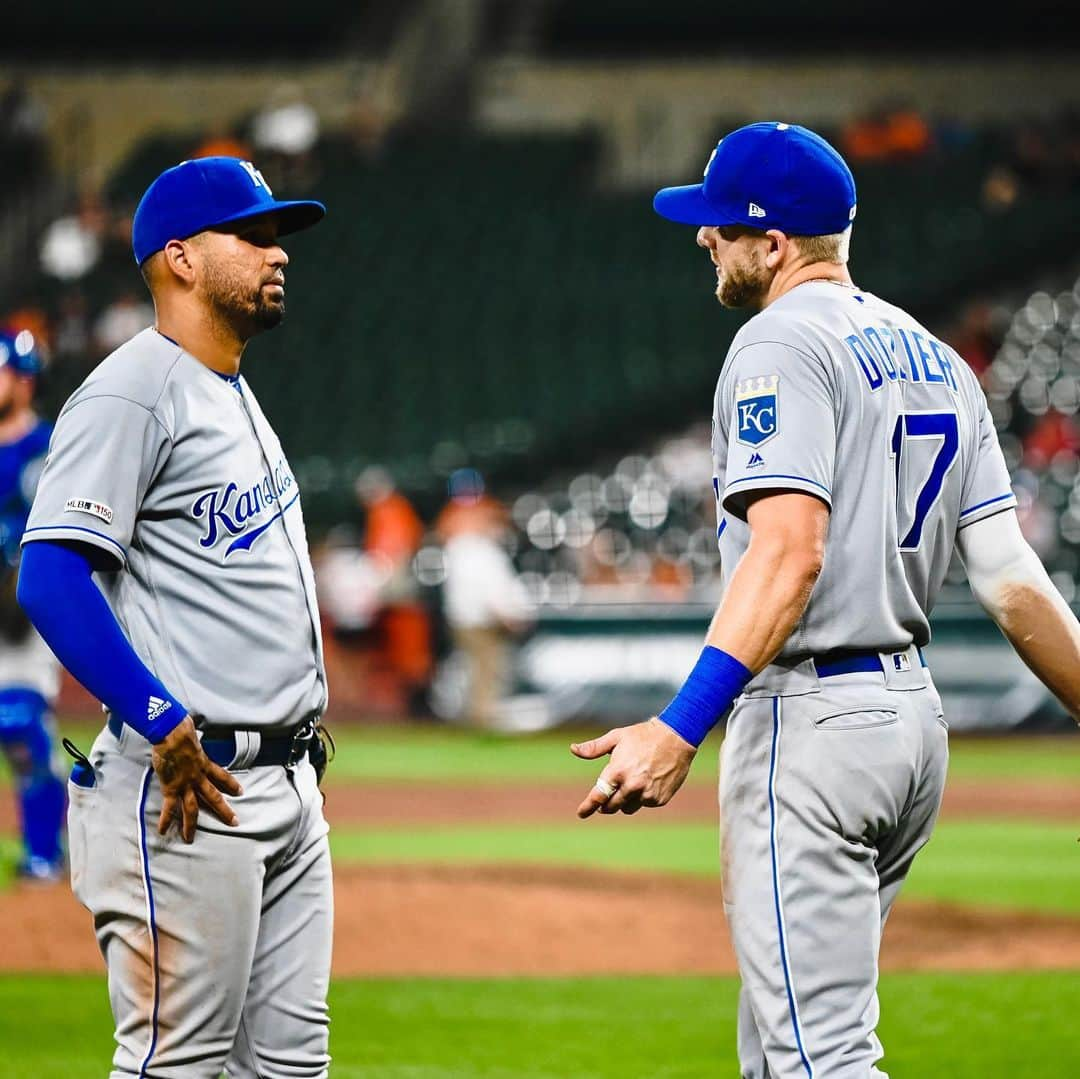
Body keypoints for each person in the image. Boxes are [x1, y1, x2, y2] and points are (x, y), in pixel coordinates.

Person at [571, 121, 1080, 1078]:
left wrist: (681, 726)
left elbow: (791, 553)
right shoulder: (932, 355)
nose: (702, 238)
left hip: (813, 723)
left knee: (822, 1058)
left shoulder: (775, 343)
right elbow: (1012, 584)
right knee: (781, 1044)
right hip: (910, 729)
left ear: (773, 243)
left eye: (720, 225)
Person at [17, 155, 334, 1077]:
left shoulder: (228, 387)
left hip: (283, 786)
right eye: (255, 234)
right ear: (181, 258)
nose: (278, 254)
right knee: (174, 1062)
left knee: (289, 1067)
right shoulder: (135, 389)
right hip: (190, 793)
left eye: (279, 236)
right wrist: (159, 717)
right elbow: (50, 574)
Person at [0, 330, 66, 882]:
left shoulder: (46, 446)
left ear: (23, 380)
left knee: (18, 723)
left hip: (22, 612)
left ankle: (44, 850)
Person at [435, 469, 535, 729]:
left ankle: (480, 718)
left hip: (468, 617)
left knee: (483, 672)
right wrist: (505, 613)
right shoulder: (470, 547)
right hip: (478, 619)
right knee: (487, 671)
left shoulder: (465, 546)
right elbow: (484, 589)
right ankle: (482, 722)